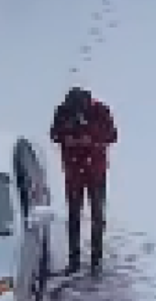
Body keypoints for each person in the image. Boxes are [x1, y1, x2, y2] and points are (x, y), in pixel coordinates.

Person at [49, 86, 117, 275]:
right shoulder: (63, 111)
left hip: (95, 171)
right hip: (73, 171)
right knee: (73, 215)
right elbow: (54, 134)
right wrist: (68, 135)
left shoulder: (100, 110)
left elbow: (112, 135)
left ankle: (96, 260)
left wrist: (91, 137)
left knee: (97, 214)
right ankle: (74, 259)